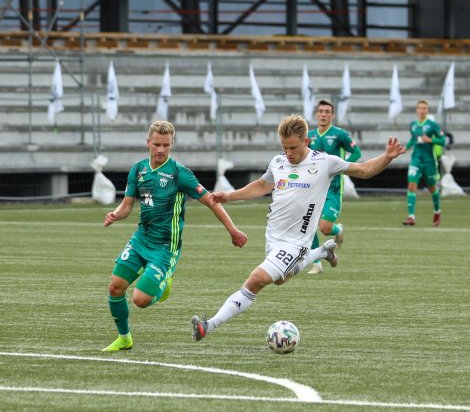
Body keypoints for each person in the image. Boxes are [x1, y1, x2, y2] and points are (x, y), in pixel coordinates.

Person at [191, 114, 405, 341]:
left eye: (293, 147)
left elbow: (364, 170)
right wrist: (229, 196)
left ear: (306, 141)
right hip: (273, 236)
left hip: (297, 242)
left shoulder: (325, 162)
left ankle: (208, 325)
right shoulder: (278, 161)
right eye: (284, 148)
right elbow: (262, 185)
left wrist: (387, 157)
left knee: (255, 280)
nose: (288, 154)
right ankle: (322, 252)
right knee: (280, 280)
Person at [102, 120, 247, 351]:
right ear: (148, 143)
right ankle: (124, 338)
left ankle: (163, 286)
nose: (161, 150)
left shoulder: (180, 174)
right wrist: (115, 215)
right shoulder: (138, 169)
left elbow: (211, 201)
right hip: (141, 239)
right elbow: (127, 206)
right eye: (157, 144)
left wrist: (233, 230)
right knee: (115, 288)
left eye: (166, 145)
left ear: (172, 144)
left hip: (164, 248)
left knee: (140, 300)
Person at [307, 99, 362, 274]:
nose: (323, 114)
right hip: (313, 188)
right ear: (316, 114)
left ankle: (338, 229)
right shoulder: (310, 135)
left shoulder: (340, 134)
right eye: (321, 111)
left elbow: (357, 152)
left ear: (332, 115)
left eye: (327, 112)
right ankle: (316, 264)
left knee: (325, 228)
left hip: (333, 189)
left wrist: (344, 167)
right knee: (309, 224)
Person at [403, 100, 445, 227]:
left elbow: (443, 141)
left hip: (429, 161)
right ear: (416, 110)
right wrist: (406, 148)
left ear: (427, 111)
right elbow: (413, 139)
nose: (422, 110)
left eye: (424, 108)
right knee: (411, 186)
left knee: (432, 187)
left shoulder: (433, 125)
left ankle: (437, 212)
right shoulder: (413, 125)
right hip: (416, 159)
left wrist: (430, 140)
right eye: (420, 108)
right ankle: (411, 216)